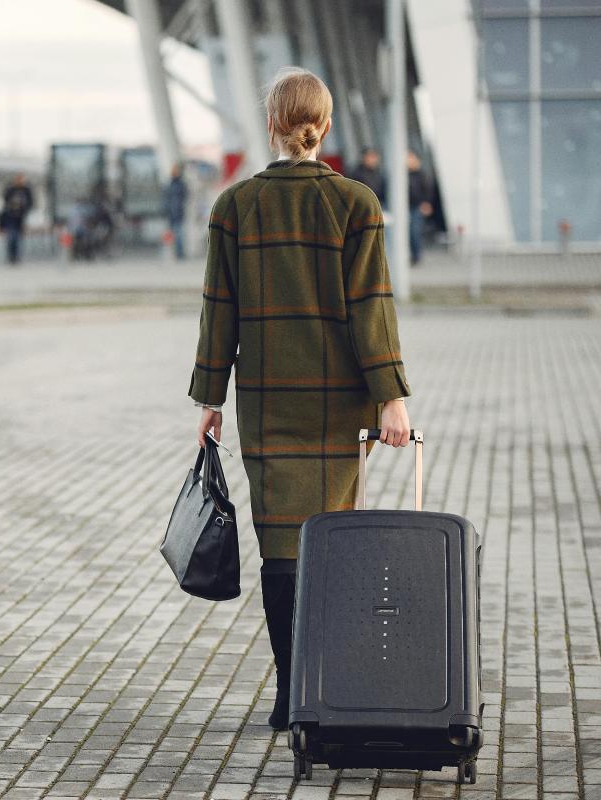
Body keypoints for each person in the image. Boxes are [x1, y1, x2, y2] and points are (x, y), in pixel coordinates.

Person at [189, 67, 412, 732]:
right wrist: (392, 399)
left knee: (281, 549)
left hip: (266, 403)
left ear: (271, 126)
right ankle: (325, 690)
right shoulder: (356, 202)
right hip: (339, 403)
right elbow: (372, 310)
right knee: (332, 544)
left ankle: (291, 693)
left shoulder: (234, 205)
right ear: (327, 124)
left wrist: (210, 397)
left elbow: (217, 311)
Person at [0, 173, 34, 265]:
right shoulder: (10, 190)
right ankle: (11, 257)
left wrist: (23, 209)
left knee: (18, 239)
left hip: (21, 219)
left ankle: (16, 257)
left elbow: (30, 203)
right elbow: (5, 201)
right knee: (11, 238)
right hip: (10, 219)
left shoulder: (26, 190)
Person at [407, 150, 434, 266]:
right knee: (408, 232)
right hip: (406, 207)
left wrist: (427, 203)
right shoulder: (403, 174)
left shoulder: (422, 174)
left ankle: (416, 256)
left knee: (415, 231)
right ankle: (412, 255)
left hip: (418, 206)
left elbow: (428, 190)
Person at [163, 162, 189, 260]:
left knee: (179, 233)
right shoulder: (169, 184)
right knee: (173, 233)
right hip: (170, 212)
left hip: (178, 212)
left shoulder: (181, 184)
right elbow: (166, 198)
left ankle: (179, 253)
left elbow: (185, 196)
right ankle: (174, 252)